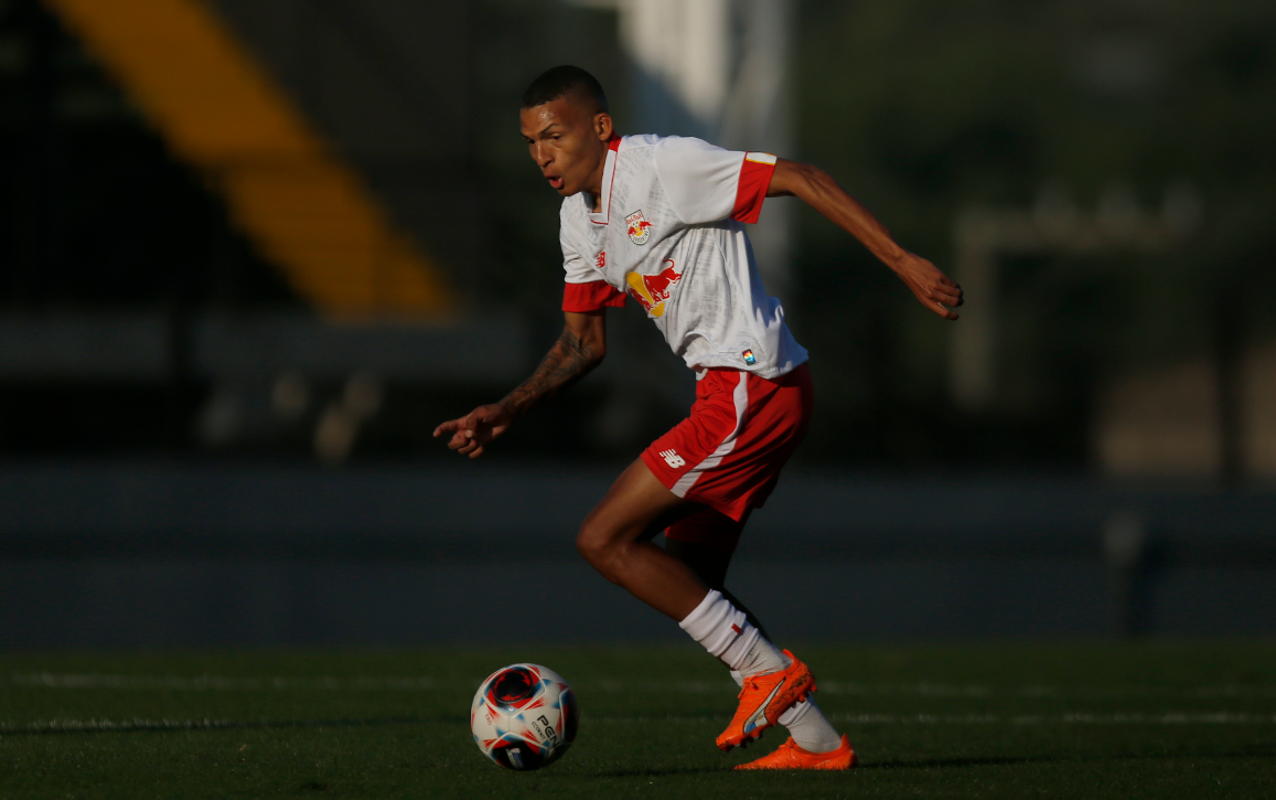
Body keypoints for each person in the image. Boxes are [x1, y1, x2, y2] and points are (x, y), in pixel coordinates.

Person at [434, 65, 962, 770]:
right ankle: (817, 742)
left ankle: (769, 675)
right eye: (531, 142)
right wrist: (506, 409)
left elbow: (801, 177)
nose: (542, 155)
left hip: (753, 387)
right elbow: (582, 343)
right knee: (687, 577)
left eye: (554, 136)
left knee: (602, 539)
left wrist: (903, 261)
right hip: (733, 395)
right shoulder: (577, 221)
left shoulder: (663, 165)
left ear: (600, 127)